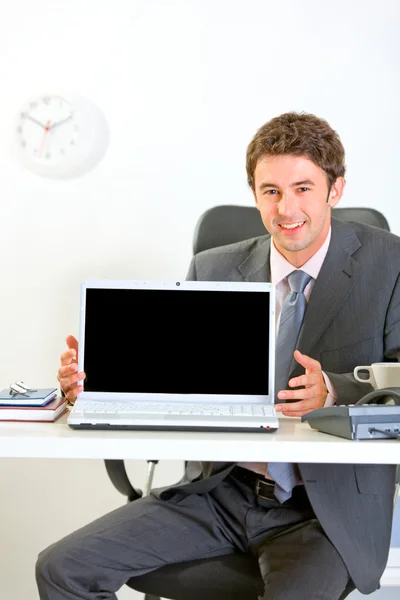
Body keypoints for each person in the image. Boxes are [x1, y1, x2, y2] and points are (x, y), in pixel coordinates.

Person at [36, 112, 400, 600]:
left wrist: (337, 390)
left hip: (323, 510)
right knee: (62, 568)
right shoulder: (214, 267)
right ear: (254, 194)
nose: (285, 208)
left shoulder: (389, 262)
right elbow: (174, 378)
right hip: (222, 490)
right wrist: (95, 384)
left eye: (303, 188)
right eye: (270, 190)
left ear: (335, 191)